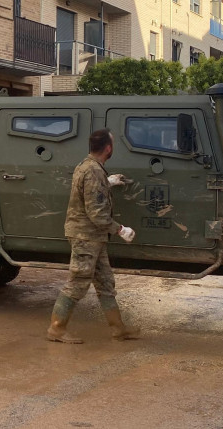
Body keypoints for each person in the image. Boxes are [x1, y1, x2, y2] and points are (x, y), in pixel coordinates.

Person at [48, 129, 141, 344]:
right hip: (85, 237)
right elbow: (96, 213)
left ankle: (118, 329)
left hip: (93, 238)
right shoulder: (92, 171)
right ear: (108, 148)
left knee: (105, 282)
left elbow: (89, 192)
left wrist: (108, 182)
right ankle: (56, 328)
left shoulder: (90, 167)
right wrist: (120, 229)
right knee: (78, 281)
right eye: (113, 144)